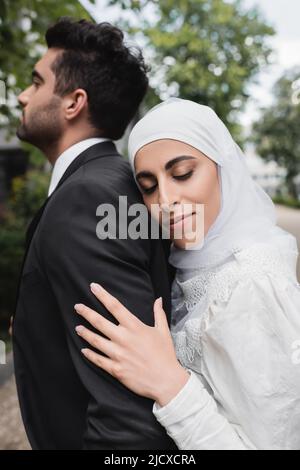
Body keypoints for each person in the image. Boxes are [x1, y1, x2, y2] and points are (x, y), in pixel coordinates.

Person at [74, 98, 300, 450]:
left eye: (182, 174)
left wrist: (170, 385)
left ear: (224, 168)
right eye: (148, 187)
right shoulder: (191, 264)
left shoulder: (253, 282)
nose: (165, 199)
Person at [13, 18, 178, 450]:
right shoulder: (115, 183)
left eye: (35, 82)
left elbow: (128, 415)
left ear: (74, 102)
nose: (22, 95)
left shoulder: (86, 199)